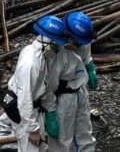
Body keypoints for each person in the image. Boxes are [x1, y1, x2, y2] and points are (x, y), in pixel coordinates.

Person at [5, 15, 69, 152]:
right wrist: (32, 129)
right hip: (22, 110)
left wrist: (49, 111)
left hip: (33, 107)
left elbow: (45, 85)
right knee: (29, 148)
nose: (58, 48)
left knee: (40, 146)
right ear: (47, 41)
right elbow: (24, 98)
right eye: (56, 44)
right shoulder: (30, 63)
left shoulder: (42, 56)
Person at [40, 12, 97, 152]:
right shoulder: (54, 51)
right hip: (62, 98)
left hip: (80, 92)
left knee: (85, 134)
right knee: (62, 140)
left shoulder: (83, 39)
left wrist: (90, 67)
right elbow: (49, 87)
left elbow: (86, 55)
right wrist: (50, 112)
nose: (80, 44)